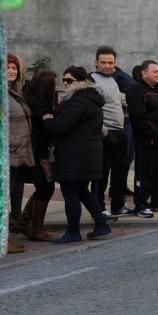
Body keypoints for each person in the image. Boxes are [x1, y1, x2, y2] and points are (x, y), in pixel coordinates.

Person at [42, 67, 112, 243]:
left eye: (70, 80)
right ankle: (101, 225)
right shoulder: (92, 100)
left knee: (71, 194)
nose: (65, 84)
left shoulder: (77, 102)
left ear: (81, 82)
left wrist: (47, 119)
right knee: (82, 192)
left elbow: (60, 126)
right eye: (64, 80)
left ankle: (73, 232)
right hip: (87, 156)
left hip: (74, 157)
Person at [126, 60, 158, 218]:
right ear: (144, 73)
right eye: (155, 71)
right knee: (145, 174)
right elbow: (138, 117)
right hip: (147, 142)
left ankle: (156, 201)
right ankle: (141, 204)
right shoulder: (136, 90)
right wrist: (154, 132)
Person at [91, 47, 131, 215]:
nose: (107, 66)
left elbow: (118, 101)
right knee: (101, 174)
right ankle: (98, 209)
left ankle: (118, 206)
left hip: (119, 131)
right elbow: (91, 108)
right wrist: (103, 131)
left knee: (120, 172)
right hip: (106, 133)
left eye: (111, 63)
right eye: (104, 62)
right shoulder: (92, 80)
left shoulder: (113, 80)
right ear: (96, 63)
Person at [20, 70, 59, 241]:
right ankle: (36, 228)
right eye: (54, 85)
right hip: (37, 152)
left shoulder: (29, 100)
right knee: (45, 187)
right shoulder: (41, 106)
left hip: (33, 150)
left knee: (43, 187)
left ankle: (25, 220)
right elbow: (49, 127)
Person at [6, 54, 33, 253]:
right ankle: (1, 239)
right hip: (8, 153)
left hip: (19, 153)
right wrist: (13, 143)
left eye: (14, 68)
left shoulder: (15, 92)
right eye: (7, 68)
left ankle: (10, 232)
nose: (11, 71)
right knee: (3, 195)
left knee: (15, 191)